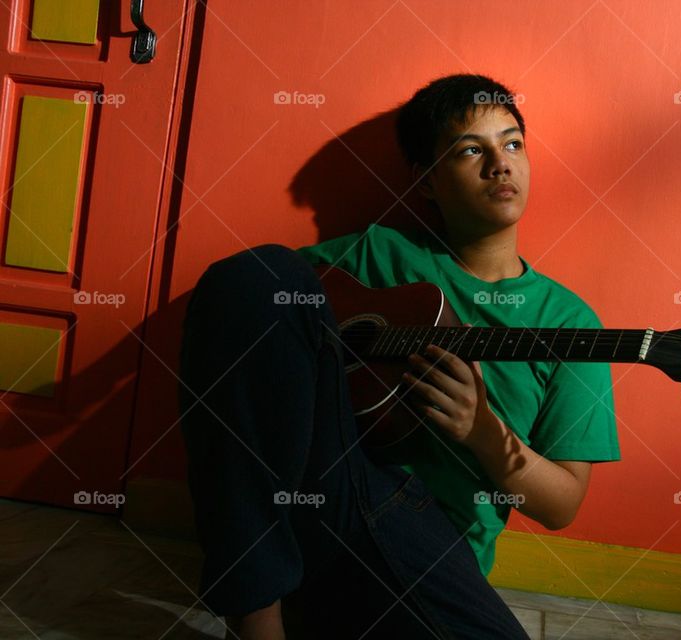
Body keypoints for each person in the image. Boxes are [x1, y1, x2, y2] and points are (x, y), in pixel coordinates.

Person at [178, 74, 620, 640]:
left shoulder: (570, 324)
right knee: (251, 276)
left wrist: (482, 429)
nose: (500, 164)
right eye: (470, 149)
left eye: (512, 144)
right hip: (324, 498)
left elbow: (562, 506)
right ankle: (258, 622)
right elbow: (255, 307)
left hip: (430, 551)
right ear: (428, 182)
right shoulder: (379, 254)